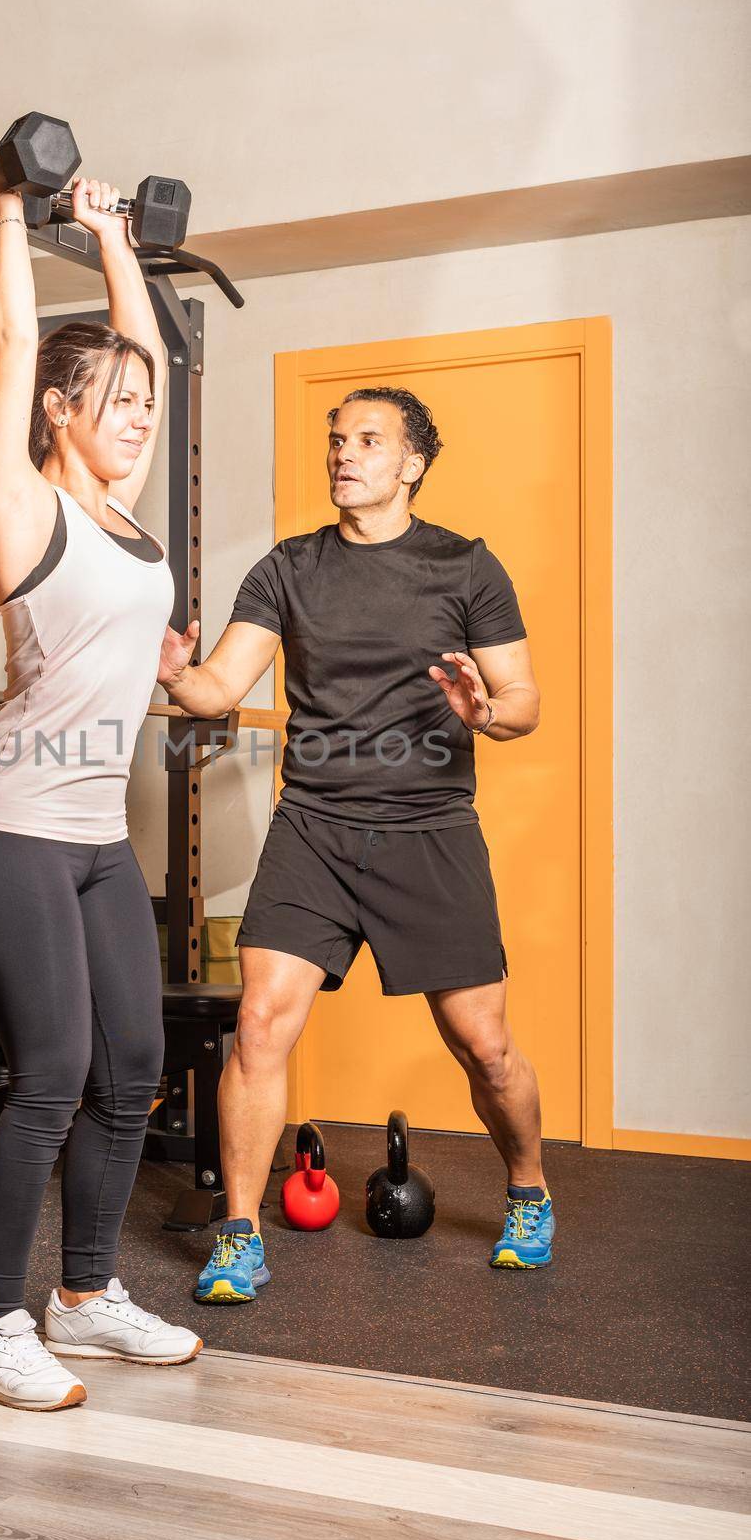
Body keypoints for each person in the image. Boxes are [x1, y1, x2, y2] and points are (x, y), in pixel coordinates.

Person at [157, 385, 554, 1303]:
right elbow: (220, 688)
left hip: (430, 831)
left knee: (483, 1046)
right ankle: (240, 1234)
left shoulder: (466, 566)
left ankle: (528, 1191)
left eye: (369, 441)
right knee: (258, 1025)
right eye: (337, 439)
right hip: (315, 830)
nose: (344, 454)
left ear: (412, 463)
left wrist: (484, 712)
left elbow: (524, 702)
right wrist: (173, 674)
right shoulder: (289, 568)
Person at [0, 158, 201, 1410]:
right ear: (56, 411)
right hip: (13, 834)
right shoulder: (21, 503)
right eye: (112, 401)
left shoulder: (127, 513)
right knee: (51, 1070)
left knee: (132, 1065)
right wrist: (8, 212)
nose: (140, 414)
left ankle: (86, 1298)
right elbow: (12, 336)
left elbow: (147, 348)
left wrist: (107, 238)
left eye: (146, 403)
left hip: (99, 836)